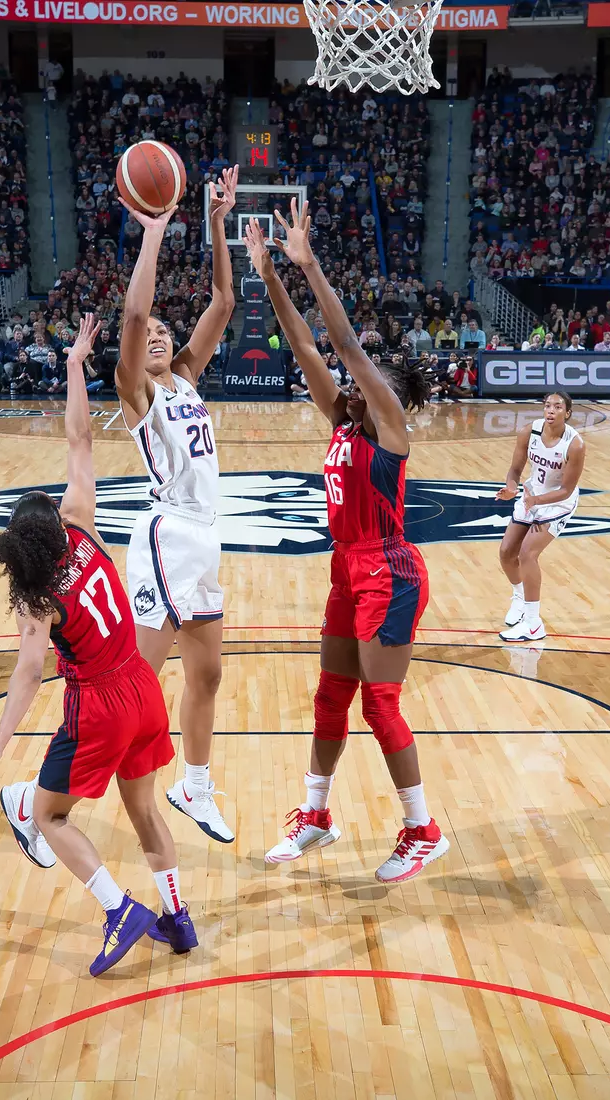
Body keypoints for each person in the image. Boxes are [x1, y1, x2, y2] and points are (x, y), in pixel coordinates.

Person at [0, 317, 195, 977]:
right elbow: (80, 439)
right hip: (141, 685)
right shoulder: (80, 524)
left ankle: (118, 910)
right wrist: (77, 364)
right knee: (144, 810)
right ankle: (177, 916)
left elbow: (28, 675)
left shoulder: (35, 598)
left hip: (99, 706)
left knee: (49, 816)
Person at [245, 203, 447, 884]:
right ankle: (316, 815)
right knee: (331, 695)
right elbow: (307, 348)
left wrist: (309, 266)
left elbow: (347, 348)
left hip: (389, 570)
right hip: (347, 568)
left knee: (379, 703)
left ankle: (422, 830)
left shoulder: (389, 428)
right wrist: (270, 276)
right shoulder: (342, 419)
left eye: (369, 378)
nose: (356, 381)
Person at [114, 167, 240, 844]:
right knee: (135, 683)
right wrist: (154, 234)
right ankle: (48, 796)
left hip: (204, 536)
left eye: (168, 331)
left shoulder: (186, 378)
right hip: (167, 534)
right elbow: (134, 316)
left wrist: (217, 221)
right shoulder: (136, 389)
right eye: (153, 333)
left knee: (208, 674)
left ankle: (194, 787)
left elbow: (223, 299)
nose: (158, 334)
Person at [495, 392, 585, 642]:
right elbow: (515, 469)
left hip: (558, 503)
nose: (551, 410)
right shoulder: (529, 432)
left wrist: (537, 501)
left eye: (558, 407)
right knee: (506, 552)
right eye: (547, 406)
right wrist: (511, 488)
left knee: (527, 554)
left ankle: (533, 624)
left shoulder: (575, 445)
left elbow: (566, 490)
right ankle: (519, 598)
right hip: (532, 494)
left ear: (567, 413)